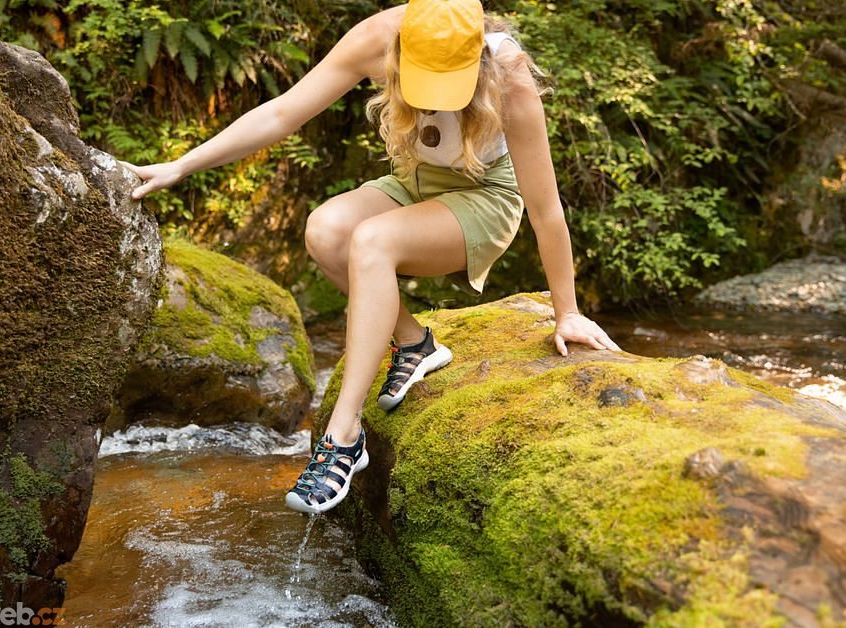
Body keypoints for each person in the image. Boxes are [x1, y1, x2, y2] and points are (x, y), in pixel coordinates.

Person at [124, 0, 621, 515]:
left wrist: (567, 312)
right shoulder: (376, 38)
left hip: (485, 197)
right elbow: (281, 112)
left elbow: (546, 210)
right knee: (327, 230)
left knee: (372, 240)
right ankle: (415, 343)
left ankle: (343, 435)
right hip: (413, 184)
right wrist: (182, 165)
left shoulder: (507, 74)